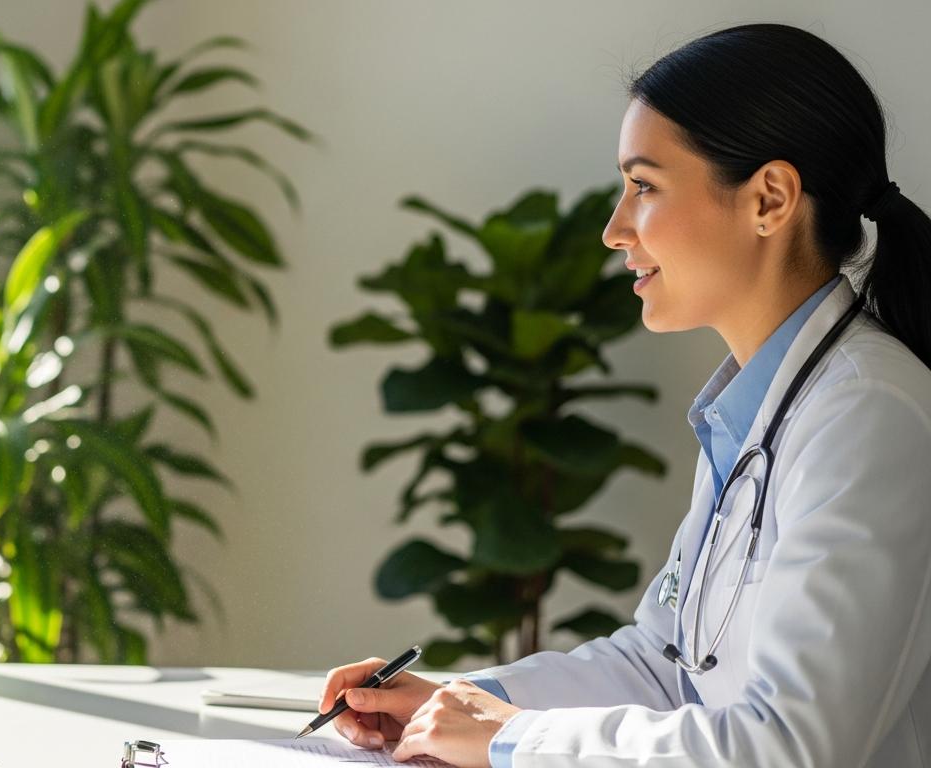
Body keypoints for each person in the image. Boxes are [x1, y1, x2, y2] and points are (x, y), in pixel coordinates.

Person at [319, 22, 931, 768]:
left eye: (643, 187)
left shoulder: (869, 414)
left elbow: (792, 748)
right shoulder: (759, 411)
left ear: (769, 199)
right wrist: (458, 701)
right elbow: (662, 665)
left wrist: (509, 736)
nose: (615, 229)